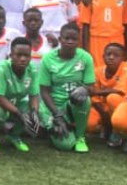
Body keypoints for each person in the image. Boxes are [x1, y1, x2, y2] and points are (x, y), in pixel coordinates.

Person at [39, 23, 94, 152]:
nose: (70, 42)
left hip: (72, 104)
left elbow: (91, 88)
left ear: (78, 41)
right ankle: (54, 126)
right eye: (66, 38)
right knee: (66, 145)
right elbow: (44, 91)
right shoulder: (48, 59)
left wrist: (84, 89)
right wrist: (57, 115)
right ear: (60, 39)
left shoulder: (85, 57)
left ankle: (80, 137)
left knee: (84, 99)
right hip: (53, 107)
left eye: (74, 39)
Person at [0, 37, 39, 153]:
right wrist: (19, 114)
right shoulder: (2, 68)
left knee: (34, 109)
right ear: (11, 55)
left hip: (14, 103)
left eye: (26, 55)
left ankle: (14, 136)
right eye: (19, 55)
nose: (23, 59)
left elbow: (34, 95)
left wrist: (35, 113)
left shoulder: (32, 68)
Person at [88, 43, 127, 147]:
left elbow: (119, 91)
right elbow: (94, 97)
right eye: (108, 54)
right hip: (102, 107)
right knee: (89, 124)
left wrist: (96, 92)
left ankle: (116, 132)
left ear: (123, 57)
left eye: (116, 55)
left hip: (120, 105)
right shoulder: (97, 72)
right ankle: (102, 126)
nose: (111, 57)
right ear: (103, 56)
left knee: (113, 98)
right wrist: (104, 115)